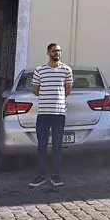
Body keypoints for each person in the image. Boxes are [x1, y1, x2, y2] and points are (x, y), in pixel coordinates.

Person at [30, 43, 74, 188]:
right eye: (54, 51)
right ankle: (41, 175)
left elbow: (67, 89)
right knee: (41, 146)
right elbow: (35, 90)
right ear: (48, 52)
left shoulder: (66, 70)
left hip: (59, 114)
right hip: (43, 114)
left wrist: (58, 99)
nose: (57, 53)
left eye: (59, 51)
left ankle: (56, 175)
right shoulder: (39, 70)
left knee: (57, 145)